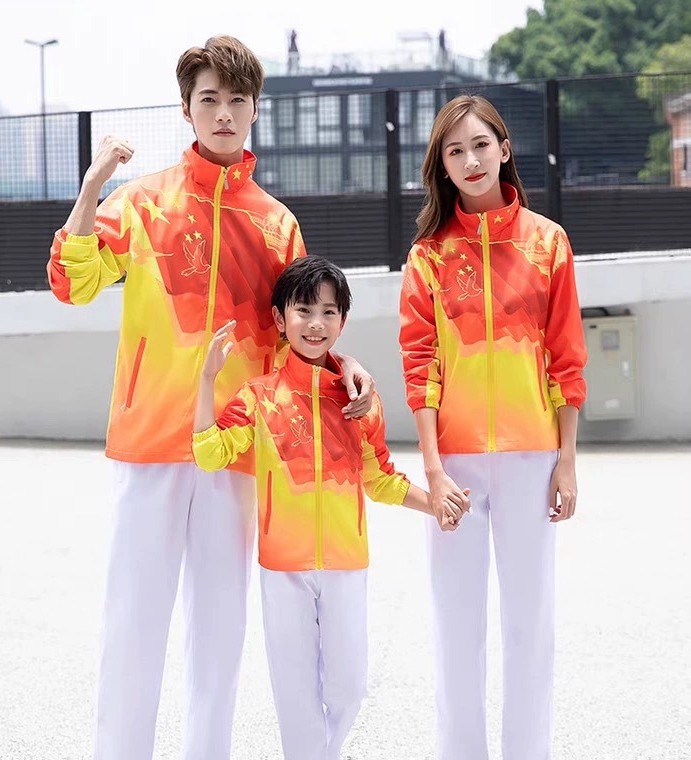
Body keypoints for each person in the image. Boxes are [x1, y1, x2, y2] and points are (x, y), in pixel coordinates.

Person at [46, 35, 375, 760]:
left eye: (236, 100)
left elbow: (302, 332)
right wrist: (93, 185)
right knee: (132, 625)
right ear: (187, 109)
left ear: (255, 110)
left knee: (219, 637)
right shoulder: (141, 202)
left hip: (233, 447)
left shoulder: (277, 223)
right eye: (209, 100)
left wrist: (345, 365)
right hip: (149, 444)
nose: (223, 113)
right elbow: (72, 282)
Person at [192, 255, 467, 760]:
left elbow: (380, 479)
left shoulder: (358, 399)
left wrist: (435, 504)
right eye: (303, 311)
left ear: (342, 321)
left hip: (346, 563)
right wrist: (206, 380)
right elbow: (210, 453)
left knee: (349, 689)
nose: (315, 323)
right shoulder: (259, 397)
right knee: (295, 697)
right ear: (280, 319)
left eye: (328, 312)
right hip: (283, 568)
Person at [398, 94, 587, 760]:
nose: (471, 160)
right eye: (455, 151)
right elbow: (420, 367)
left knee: (530, 626)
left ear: (504, 149)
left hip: (533, 458)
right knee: (457, 629)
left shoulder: (547, 243)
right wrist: (432, 468)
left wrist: (566, 458)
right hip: (455, 466)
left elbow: (566, 358)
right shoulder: (428, 257)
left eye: (481, 145)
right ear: (442, 167)